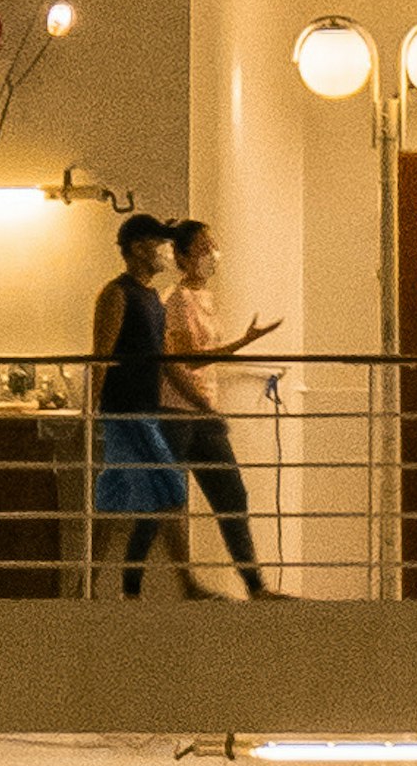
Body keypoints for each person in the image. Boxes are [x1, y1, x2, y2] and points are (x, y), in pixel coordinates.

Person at [161, 221, 286, 600]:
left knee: (231, 494)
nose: (211, 253)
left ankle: (255, 585)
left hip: (202, 409)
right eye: (202, 246)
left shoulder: (204, 298)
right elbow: (182, 361)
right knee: (172, 500)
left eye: (212, 244)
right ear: (182, 256)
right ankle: (187, 585)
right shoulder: (176, 300)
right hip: (179, 411)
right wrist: (243, 342)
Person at [89, 215, 200, 595]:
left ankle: (87, 584)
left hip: (145, 409)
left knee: (114, 501)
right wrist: (92, 412)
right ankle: (187, 584)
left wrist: (197, 399)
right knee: (170, 491)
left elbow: (164, 359)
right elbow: (100, 356)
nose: (165, 252)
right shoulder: (117, 294)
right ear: (138, 248)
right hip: (125, 411)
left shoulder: (152, 297)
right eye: (159, 244)